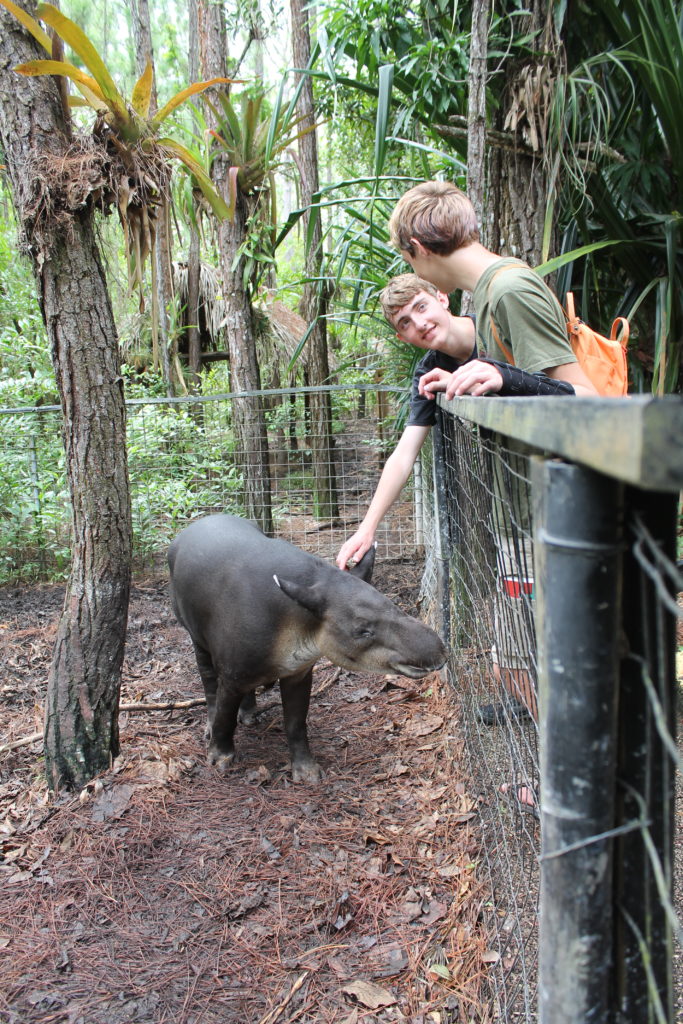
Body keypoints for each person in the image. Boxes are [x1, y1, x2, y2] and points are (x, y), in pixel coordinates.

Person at [338, 182, 598, 783]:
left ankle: (577, 779)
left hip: (563, 510)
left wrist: (503, 377)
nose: (418, 324)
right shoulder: (439, 359)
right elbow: (404, 454)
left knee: (550, 653)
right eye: (404, 323)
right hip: (522, 515)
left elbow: (589, 400)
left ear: (420, 253)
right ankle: (564, 769)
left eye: (419, 307)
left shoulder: (504, 294)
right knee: (516, 652)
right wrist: (367, 529)